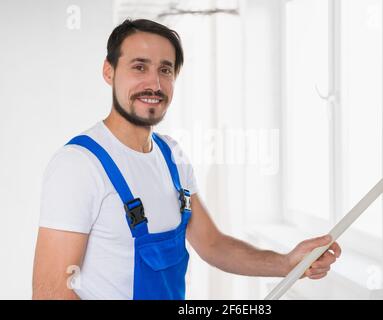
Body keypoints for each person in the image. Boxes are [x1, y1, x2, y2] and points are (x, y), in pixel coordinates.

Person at [32, 19, 341, 300]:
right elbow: (50, 293)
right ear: (108, 71)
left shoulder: (171, 156)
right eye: (139, 67)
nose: (153, 83)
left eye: (165, 70)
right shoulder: (78, 166)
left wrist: (287, 263)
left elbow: (212, 244)